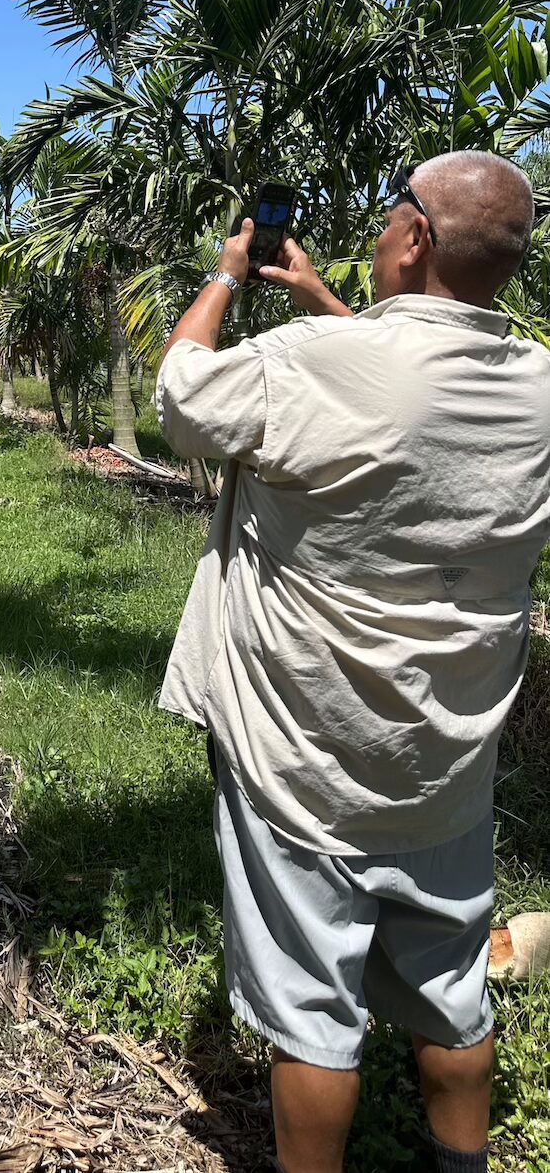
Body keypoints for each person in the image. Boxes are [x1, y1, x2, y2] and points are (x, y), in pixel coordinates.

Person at [153, 154, 550, 1173]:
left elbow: (183, 394)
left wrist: (230, 273)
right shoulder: (537, 383)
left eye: (389, 219)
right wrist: (335, 303)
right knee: (451, 991)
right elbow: (411, 390)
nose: (375, 234)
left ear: (414, 238)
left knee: (311, 1010)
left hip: (309, 758)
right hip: (447, 765)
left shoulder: (311, 362)